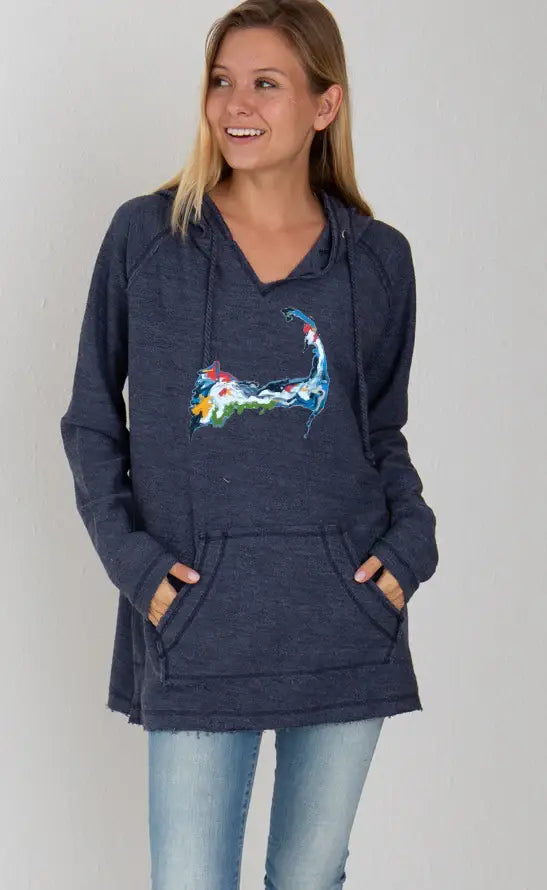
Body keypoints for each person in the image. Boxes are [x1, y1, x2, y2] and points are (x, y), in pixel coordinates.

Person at [59, 1, 439, 887]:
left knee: (310, 879)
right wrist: (137, 568)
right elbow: (90, 420)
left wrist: (410, 547)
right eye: (222, 81)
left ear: (323, 104)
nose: (236, 103)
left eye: (266, 83)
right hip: (198, 620)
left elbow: (379, 430)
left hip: (344, 614)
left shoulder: (377, 260)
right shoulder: (147, 238)